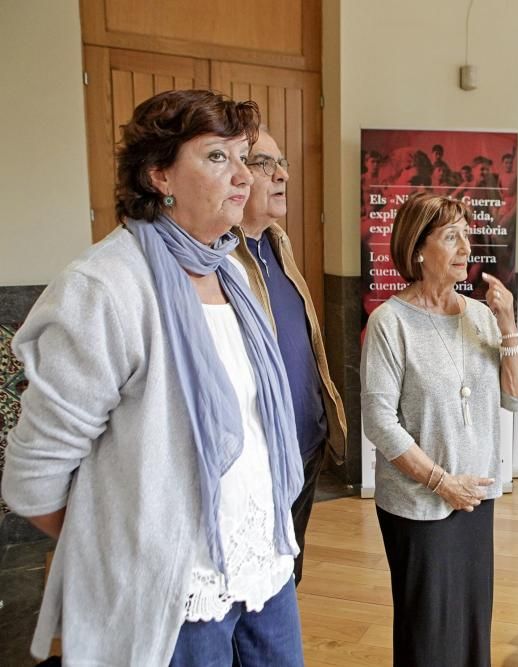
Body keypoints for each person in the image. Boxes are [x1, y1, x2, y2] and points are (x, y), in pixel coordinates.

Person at [2, 89, 306, 666]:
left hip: (263, 566)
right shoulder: (106, 285)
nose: (244, 176)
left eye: (245, 157)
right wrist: (127, 556)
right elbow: (34, 478)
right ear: (159, 174)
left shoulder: (233, 272)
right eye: (218, 157)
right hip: (177, 593)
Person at [361, 192, 518, 666]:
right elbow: (380, 423)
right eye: (450, 236)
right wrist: (441, 482)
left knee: (473, 624)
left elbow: (514, 397)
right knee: (429, 632)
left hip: (475, 496)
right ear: (417, 247)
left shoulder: (479, 315)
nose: (465, 247)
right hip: (419, 502)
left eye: (466, 235)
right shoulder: (390, 322)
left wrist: (508, 323)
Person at [231, 128, 348, 586]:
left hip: (305, 446)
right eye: (264, 163)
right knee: (253, 588)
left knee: (287, 575)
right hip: (260, 457)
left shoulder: (278, 241)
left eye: (282, 164)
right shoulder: (218, 256)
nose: (281, 175)